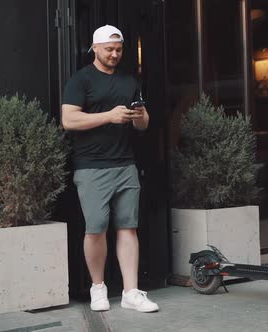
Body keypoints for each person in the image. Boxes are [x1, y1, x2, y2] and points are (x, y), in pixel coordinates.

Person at [61, 24, 158, 313]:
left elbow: (143, 125)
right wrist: (109, 116)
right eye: (109, 50)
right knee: (96, 229)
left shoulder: (130, 81)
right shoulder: (81, 80)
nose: (115, 54)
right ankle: (98, 289)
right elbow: (69, 120)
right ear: (95, 48)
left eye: (118, 49)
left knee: (128, 228)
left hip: (125, 164)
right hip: (91, 167)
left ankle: (130, 292)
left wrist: (140, 116)